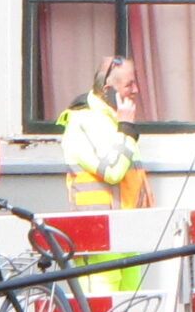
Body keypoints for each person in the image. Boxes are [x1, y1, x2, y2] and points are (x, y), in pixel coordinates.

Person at [60, 55, 153, 210]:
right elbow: (112, 171)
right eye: (129, 85)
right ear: (107, 91)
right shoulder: (84, 121)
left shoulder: (115, 121)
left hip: (129, 224)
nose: (136, 90)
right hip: (98, 226)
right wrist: (126, 129)